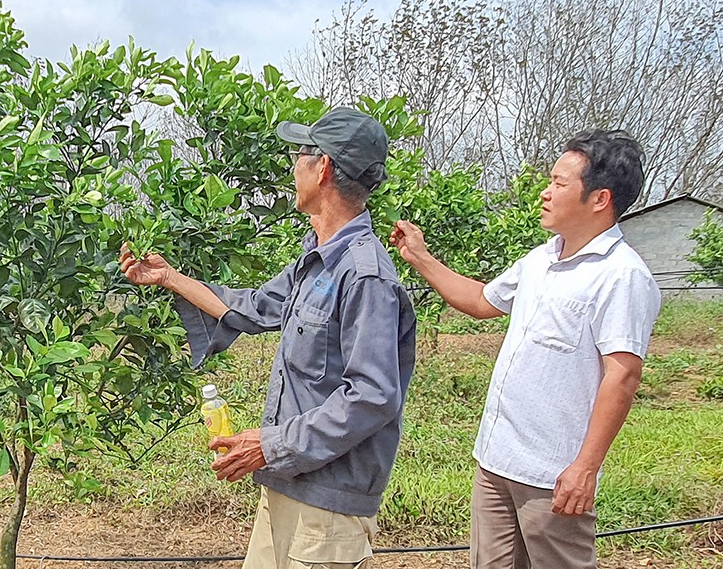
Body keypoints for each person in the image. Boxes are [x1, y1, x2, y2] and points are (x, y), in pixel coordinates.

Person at [120, 108, 417, 569]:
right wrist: (168, 278)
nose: (292, 166)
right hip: (286, 484)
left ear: (323, 168)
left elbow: (373, 397)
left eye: (300, 154)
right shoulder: (315, 258)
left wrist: (271, 444)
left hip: (327, 506)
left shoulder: (364, 276)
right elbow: (252, 308)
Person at [390, 129, 660, 569]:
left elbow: (623, 375)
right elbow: (481, 301)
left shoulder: (622, 276)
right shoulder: (542, 258)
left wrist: (585, 468)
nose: (545, 192)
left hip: (552, 474)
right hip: (496, 459)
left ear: (599, 198)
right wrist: (420, 257)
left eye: (558, 183)